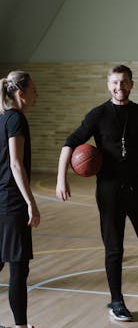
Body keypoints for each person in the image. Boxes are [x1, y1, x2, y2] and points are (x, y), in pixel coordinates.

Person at [56, 65, 138, 322]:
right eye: (114, 82)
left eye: (123, 82)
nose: (119, 87)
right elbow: (70, 143)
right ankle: (116, 301)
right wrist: (61, 178)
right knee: (114, 249)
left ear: (131, 84)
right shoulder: (98, 114)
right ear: (108, 84)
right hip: (109, 189)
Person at [0, 71, 40, 328]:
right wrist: (30, 202)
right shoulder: (16, 120)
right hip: (12, 202)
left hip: (0, 199)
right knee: (18, 268)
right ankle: (21, 326)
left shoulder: (2, 118)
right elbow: (16, 164)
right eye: (34, 90)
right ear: (21, 94)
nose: (38, 95)